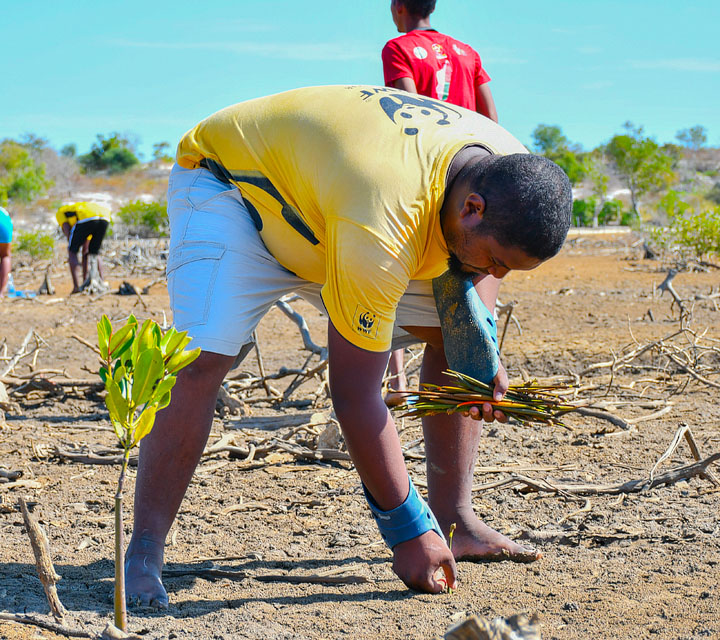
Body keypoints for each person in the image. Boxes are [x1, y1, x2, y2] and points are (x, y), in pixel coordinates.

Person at [124, 85, 571, 606]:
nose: (495, 275)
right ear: (471, 208)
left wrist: (479, 348)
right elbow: (356, 396)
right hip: (235, 191)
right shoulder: (383, 219)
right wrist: (405, 530)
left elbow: (473, 304)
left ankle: (455, 520)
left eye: (508, 269)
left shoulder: (504, 172)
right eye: (495, 260)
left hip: (330, 204)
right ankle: (144, 553)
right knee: (202, 361)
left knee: (458, 344)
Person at [382, 0, 499, 406]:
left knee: (387, 276)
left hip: (431, 176)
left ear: (398, 7)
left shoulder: (398, 49)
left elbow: (414, 115)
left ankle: (397, 384)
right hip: (475, 181)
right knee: (474, 278)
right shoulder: (468, 53)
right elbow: (491, 119)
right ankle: (479, 374)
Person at [55, 201, 111, 293]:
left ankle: (76, 287)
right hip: (105, 216)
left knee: (72, 251)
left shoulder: (60, 212)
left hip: (88, 217)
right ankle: (98, 282)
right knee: (94, 252)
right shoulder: (81, 210)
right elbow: (85, 249)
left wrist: (73, 246)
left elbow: (67, 231)